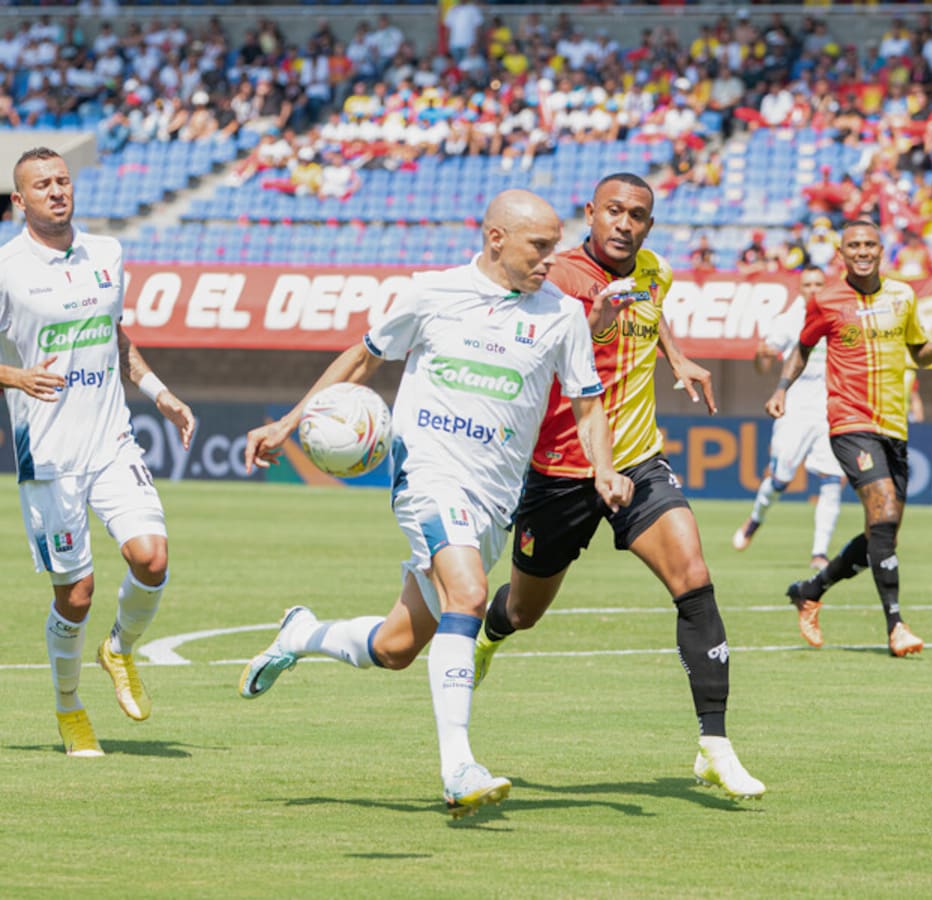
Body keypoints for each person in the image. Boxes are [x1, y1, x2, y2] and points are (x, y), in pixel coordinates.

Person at [238, 189, 632, 818]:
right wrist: (289, 423)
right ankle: (459, 769)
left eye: (555, 247)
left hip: (495, 499)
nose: (549, 260)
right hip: (428, 476)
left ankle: (302, 633)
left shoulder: (561, 315)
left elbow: (588, 404)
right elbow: (361, 360)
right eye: (538, 246)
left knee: (396, 647)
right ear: (495, 238)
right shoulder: (431, 293)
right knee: (470, 597)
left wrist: (605, 468)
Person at [472, 173, 765, 800]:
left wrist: (676, 355)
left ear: (649, 226)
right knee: (524, 610)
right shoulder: (557, 278)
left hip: (636, 461)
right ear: (591, 213)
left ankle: (714, 744)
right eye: (614, 211)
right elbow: (547, 356)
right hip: (561, 469)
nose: (625, 223)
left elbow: (649, 309)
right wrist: (599, 328)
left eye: (637, 215)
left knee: (694, 575)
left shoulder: (653, 269)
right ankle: (489, 637)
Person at [0, 147, 195, 757]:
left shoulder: (107, 253)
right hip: (49, 456)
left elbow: (114, 334)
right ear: (19, 200)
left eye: (62, 180)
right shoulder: (6, 268)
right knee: (75, 594)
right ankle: (68, 707)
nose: (57, 191)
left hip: (111, 440)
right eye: (42, 184)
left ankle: (119, 649)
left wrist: (159, 392)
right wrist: (16, 377)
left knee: (153, 559)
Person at [767, 220, 932, 656]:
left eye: (869, 244)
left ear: (881, 249)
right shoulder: (827, 300)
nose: (861, 251)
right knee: (885, 509)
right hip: (850, 422)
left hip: (894, 426)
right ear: (841, 251)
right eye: (853, 244)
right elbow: (802, 346)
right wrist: (782, 388)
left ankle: (810, 589)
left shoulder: (902, 295)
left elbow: (918, 353)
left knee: (883, 531)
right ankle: (896, 627)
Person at [733, 265, 845, 583]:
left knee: (831, 480)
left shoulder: (837, 314)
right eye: (807, 284)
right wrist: (762, 355)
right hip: (795, 407)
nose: (813, 289)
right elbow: (763, 364)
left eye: (818, 283)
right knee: (780, 478)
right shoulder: (789, 319)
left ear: (827, 285)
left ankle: (819, 552)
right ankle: (755, 520)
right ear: (799, 288)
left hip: (830, 408)